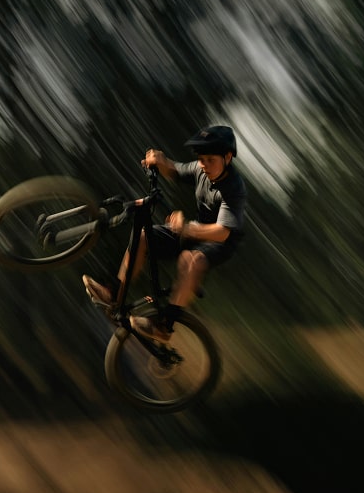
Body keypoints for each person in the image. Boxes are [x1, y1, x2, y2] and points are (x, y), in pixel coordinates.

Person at [83, 125, 247, 341]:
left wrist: (187, 228)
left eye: (211, 160)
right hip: (194, 230)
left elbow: (222, 232)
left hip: (219, 242)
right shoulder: (201, 168)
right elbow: (175, 170)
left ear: (228, 157)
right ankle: (114, 295)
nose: (204, 165)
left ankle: (164, 326)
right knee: (144, 236)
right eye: (201, 159)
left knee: (191, 260)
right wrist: (160, 161)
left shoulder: (234, 188)